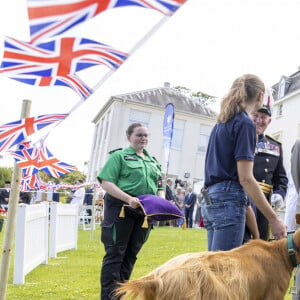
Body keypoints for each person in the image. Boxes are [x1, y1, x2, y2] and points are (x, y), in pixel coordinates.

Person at [202, 74, 286, 252]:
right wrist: (274, 219)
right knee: (226, 272)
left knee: (215, 269)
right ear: (260, 97)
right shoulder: (245, 123)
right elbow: (246, 178)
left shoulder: (221, 122)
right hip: (229, 200)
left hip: (211, 199)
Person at [97, 123, 164, 300]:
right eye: (139, 135)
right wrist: (128, 199)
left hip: (144, 213)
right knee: (115, 254)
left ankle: (120, 294)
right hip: (122, 208)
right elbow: (106, 182)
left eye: (146, 135)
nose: (143, 138)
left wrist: (161, 200)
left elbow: (160, 185)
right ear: (129, 137)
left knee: (131, 255)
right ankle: (109, 297)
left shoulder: (153, 161)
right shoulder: (118, 156)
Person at [244, 101, 288, 241]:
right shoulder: (241, 139)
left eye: (263, 117)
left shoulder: (275, 146)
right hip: (244, 199)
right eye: (255, 115)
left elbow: (280, 178)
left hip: (265, 205)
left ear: (269, 121)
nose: (259, 120)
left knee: (262, 247)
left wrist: (279, 193)